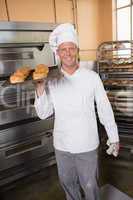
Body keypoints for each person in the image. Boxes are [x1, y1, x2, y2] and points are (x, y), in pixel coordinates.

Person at [34, 23, 119, 200]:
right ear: (58, 53)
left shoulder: (92, 78)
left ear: (77, 50)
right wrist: (40, 89)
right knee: (68, 186)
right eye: (63, 49)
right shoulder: (51, 80)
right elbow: (44, 113)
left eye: (71, 48)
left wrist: (114, 137)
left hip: (86, 144)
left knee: (90, 187)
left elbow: (104, 109)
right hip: (62, 145)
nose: (68, 53)